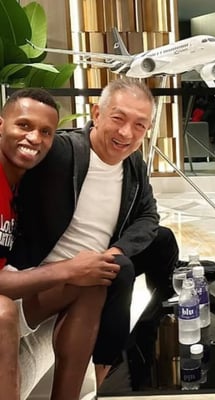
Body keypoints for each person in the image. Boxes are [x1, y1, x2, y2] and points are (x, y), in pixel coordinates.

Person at [8, 78, 179, 387]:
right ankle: (104, 379)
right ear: (97, 114)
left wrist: (117, 249)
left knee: (160, 242)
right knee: (117, 271)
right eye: (118, 118)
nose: (126, 133)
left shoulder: (133, 164)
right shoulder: (61, 152)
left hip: (95, 262)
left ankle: (161, 317)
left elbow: (148, 215)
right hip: (47, 273)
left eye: (139, 125)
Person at [0, 88, 121, 399]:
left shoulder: (25, 182)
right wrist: (68, 269)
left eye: (45, 132)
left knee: (93, 280)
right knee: (3, 312)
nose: (34, 138)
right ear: (1, 125)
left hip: (15, 285)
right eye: (23, 125)